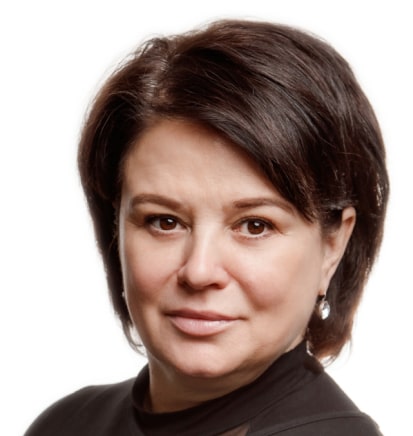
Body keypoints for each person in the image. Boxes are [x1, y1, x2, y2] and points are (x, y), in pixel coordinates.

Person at [25, 19, 388, 435]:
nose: (199, 271)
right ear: (115, 228)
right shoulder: (66, 424)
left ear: (333, 245)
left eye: (255, 226)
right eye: (164, 221)